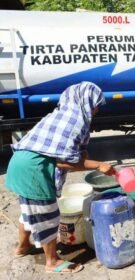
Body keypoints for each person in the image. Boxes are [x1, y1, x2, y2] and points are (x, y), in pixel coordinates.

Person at [5, 82, 115, 273]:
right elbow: (62, 161)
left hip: (19, 164)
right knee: (48, 216)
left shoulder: (61, 114)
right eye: (96, 103)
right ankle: (52, 262)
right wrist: (99, 165)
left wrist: (81, 156)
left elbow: (61, 151)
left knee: (29, 211)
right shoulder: (75, 120)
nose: (97, 109)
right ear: (86, 101)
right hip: (34, 170)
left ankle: (22, 247)